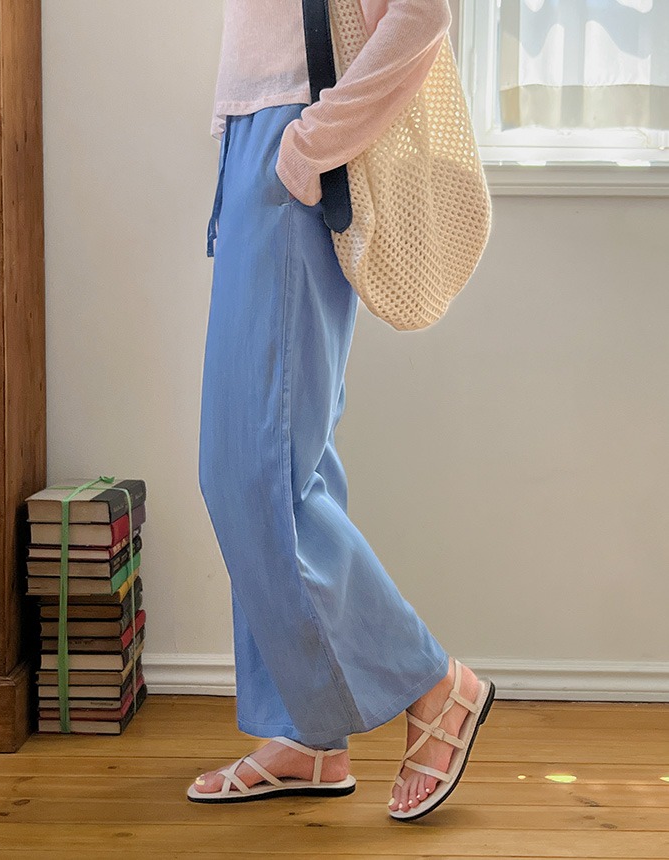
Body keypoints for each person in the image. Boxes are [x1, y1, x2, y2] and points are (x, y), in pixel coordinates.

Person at [189, 0, 495, 820]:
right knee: (274, 461)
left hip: (295, 139)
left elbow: (422, 13)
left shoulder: (303, 145)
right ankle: (308, 732)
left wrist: (307, 146)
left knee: (256, 470)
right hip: (257, 137)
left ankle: (432, 684)